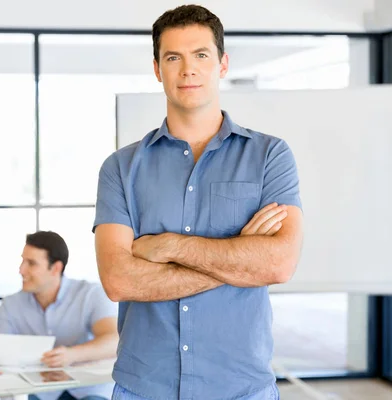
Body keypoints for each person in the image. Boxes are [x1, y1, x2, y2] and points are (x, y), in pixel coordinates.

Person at [93, 4, 303, 400]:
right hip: (144, 386)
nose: (188, 69)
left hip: (242, 387)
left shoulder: (270, 156)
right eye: (173, 57)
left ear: (222, 64)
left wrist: (167, 247)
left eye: (201, 56)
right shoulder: (120, 168)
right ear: (157, 69)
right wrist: (239, 260)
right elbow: (119, 280)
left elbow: (279, 263)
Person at [0, 231, 118, 400]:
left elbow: (113, 341)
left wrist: (72, 355)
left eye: (31, 263)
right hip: (43, 391)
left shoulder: (90, 294)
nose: (21, 270)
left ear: (56, 268)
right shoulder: (10, 305)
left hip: (88, 389)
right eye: (22, 261)